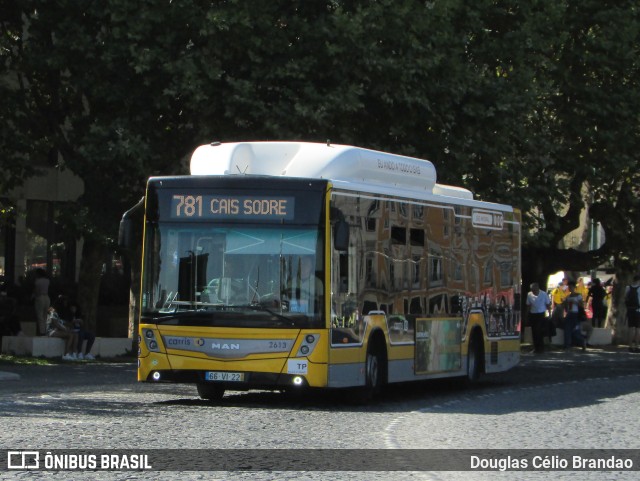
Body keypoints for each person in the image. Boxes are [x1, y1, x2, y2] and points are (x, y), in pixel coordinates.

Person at [526, 283, 551, 354]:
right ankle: (536, 347)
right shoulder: (529, 294)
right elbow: (528, 305)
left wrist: (549, 314)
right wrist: (527, 315)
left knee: (540, 331)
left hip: (541, 314)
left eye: (534, 290)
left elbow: (548, 304)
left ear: (537, 288)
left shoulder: (543, 294)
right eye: (532, 290)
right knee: (534, 331)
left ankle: (541, 347)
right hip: (533, 314)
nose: (533, 291)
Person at [563, 282, 586, 351]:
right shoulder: (568, 297)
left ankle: (582, 342)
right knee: (567, 329)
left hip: (576, 313)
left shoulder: (578, 296)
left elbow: (582, 305)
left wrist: (576, 302)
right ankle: (567, 345)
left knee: (576, 330)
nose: (570, 289)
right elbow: (566, 308)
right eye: (569, 287)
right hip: (570, 313)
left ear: (574, 288)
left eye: (571, 287)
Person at [625, 275, 640, 353]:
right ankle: (637, 346)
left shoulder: (628, 288)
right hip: (638, 310)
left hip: (630, 310)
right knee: (638, 329)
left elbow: (625, 298)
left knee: (631, 328)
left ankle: (630, 346)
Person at [33, 268, 50, 336]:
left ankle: (41, 332)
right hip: (47, 297)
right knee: (45, 315)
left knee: (40, 316)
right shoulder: (47, 280)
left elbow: (37, 291)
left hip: (40, 297)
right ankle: (46, 330)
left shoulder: (37, 281)